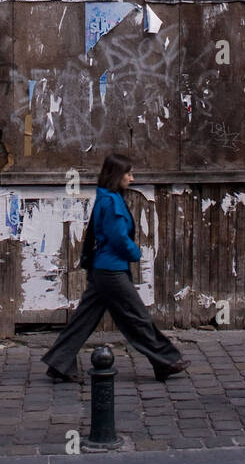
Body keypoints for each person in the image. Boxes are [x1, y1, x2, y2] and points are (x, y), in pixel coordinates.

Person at [42, 152, 190, 384]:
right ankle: (165, 360)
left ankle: (59, 362)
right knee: (137, 317)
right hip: (111, 271)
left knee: (84, 319)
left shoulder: (107, 197)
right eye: (128, 174)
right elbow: (117, 238)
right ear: (117, 175)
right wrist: (136, 253)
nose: (131, 178)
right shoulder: (111, 202)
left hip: (104, 270)